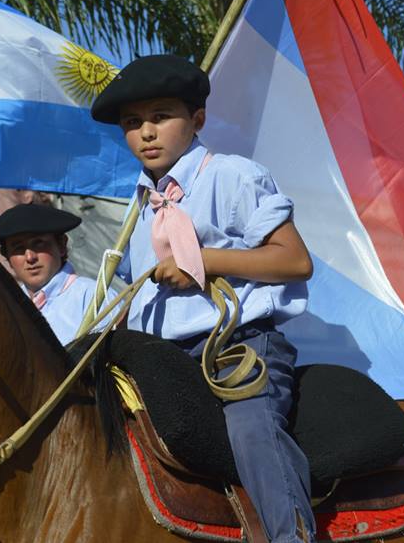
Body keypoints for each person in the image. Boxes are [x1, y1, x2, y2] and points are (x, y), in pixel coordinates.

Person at [91, 55, 315, 543]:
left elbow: (295, 261)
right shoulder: (138, 205)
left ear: (197, 120)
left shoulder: (233, 176)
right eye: (133, 123)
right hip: (159, 361)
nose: (146, 132)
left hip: (240, 348)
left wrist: (204, 261)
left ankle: (290, 537)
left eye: (160, 116)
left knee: (252, 431)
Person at [0, 203, 117, 345]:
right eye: (18, 248)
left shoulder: (95, 297)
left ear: (61, 246)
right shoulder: (7, 308)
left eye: (38, 243)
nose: (30, 257)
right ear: (8, 257)